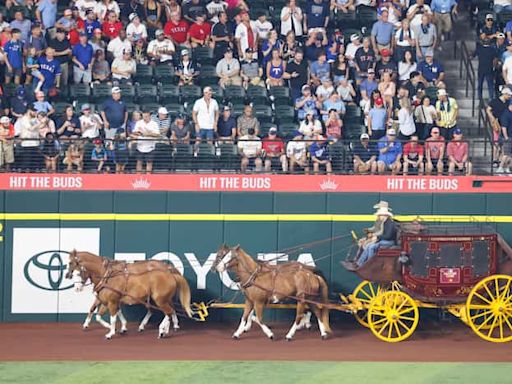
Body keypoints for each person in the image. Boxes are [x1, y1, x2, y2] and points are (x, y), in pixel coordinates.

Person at [131, 109, 160, 173]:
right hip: (140, 146)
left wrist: (148, 134)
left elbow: (157, 134)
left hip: (150, 146)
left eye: (146, 116)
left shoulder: (154, 124)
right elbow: (134, 132)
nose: (145, 118)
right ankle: (138, 175)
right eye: (144, 117)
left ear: (149, 116)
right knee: (139, 162)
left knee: (149, 162)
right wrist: (139, 132)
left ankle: (148, 175)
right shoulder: (139, 123)